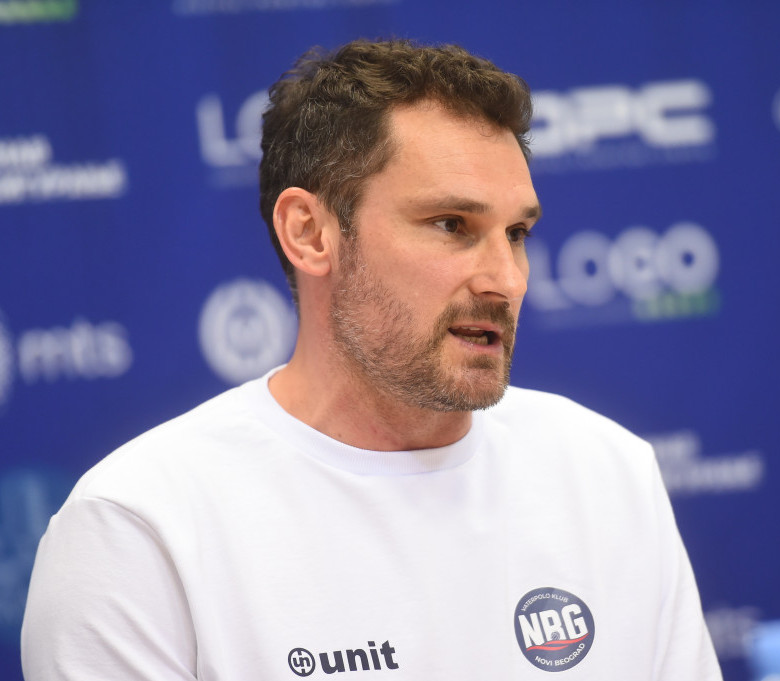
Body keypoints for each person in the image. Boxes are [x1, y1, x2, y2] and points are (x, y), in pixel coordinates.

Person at [21, 39, 722, 680]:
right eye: (452, 225)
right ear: (310, 233)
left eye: (516, 233)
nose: (506, 279)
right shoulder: (140, 529)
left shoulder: (608, 472)